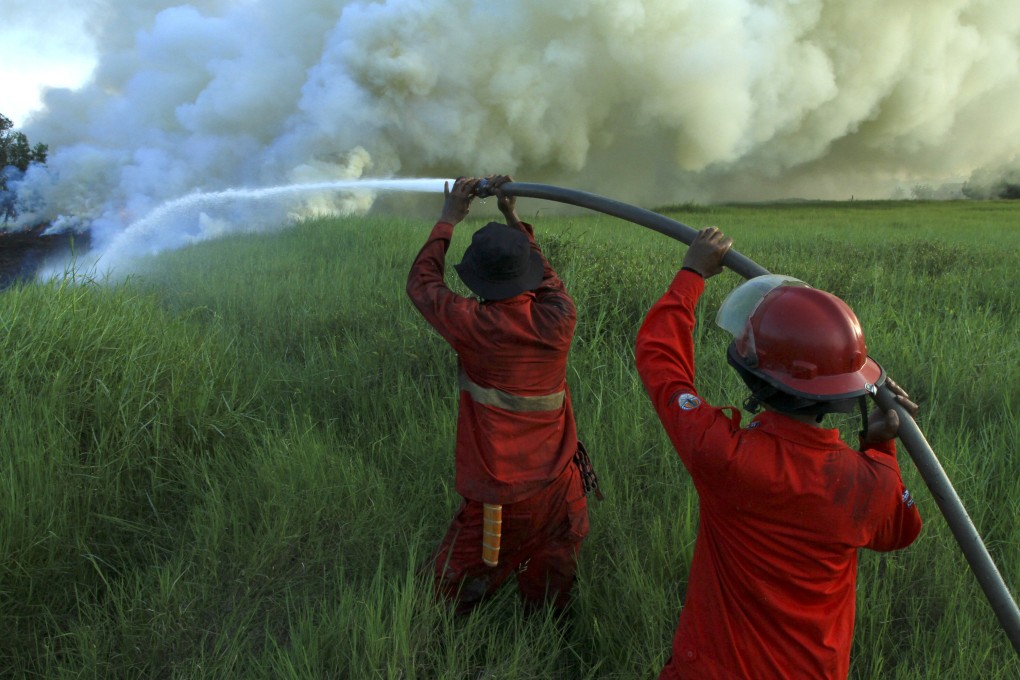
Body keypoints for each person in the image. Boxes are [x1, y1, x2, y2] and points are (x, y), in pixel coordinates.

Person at [635, 226, 923, 679]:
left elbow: (660, 360)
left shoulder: (723, 454)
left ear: (756, 378)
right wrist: (880, 445)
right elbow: (900, 531)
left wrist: (692, 273)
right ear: (841, 396)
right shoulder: (870, 482)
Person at [406, 175, 595, 615]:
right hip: (564, 486)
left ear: (478, 282)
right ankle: (551, 644)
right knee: (551, 592)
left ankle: (450, 648)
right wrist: (513, 216)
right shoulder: (560, 318)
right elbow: (546, 277)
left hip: (504, 499)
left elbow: (422, 285)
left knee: (442, 592)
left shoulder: (473, 325)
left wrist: (448, 219)